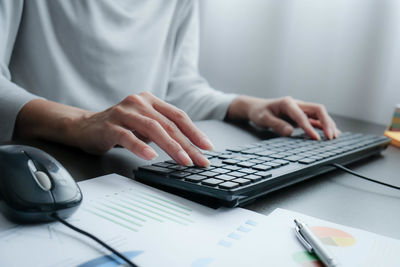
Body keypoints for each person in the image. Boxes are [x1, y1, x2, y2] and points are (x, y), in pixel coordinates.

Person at [0, 0, 339, 167]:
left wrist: (246, 106)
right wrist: (81, 122)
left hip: (134, 166)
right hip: (42, 162)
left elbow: (177, 88)